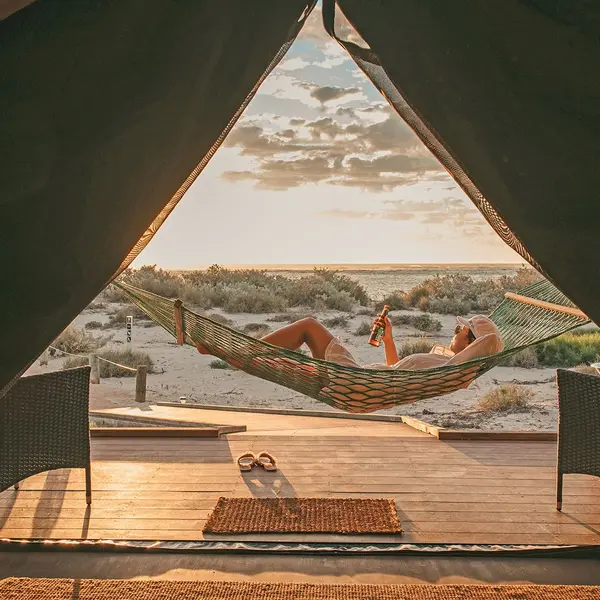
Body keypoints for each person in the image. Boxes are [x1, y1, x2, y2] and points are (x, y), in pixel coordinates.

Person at [195, 313, 504, 370]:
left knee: (309, 326)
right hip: (359, 380)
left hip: (355, 378)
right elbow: (396, 370)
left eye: (459, 330)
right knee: (305, 333)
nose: (454, 331)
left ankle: (235, 350)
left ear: (470, 341)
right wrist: (389, 337)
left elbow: (393, 375)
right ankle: (232, 352)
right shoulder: (441, 364)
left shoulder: (445, 365)